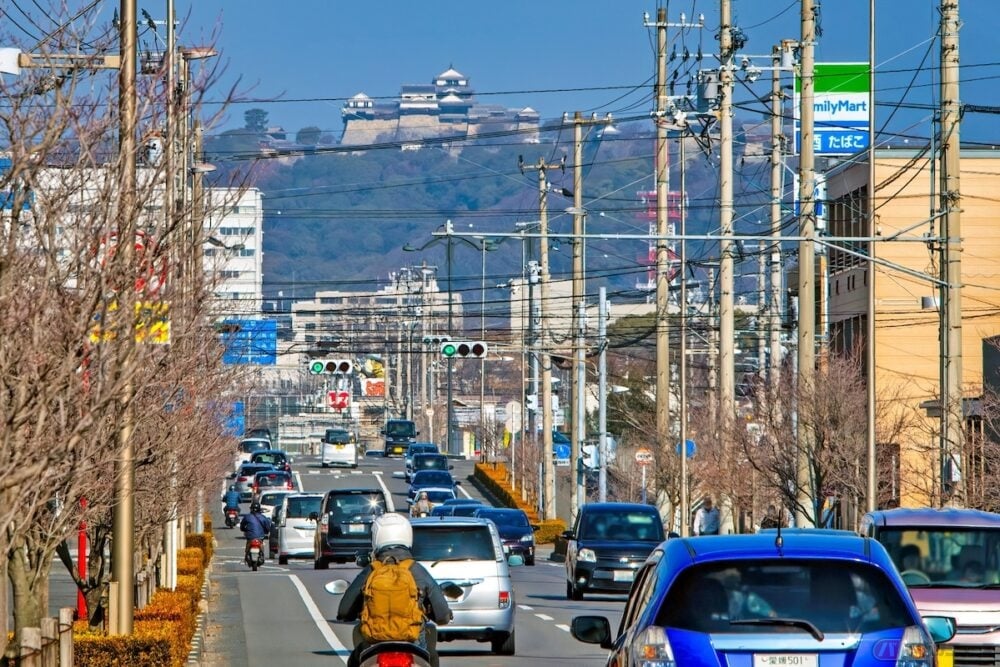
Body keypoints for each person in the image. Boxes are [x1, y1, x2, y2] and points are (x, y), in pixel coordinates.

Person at [338, 513, 451, 667]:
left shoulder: (371, 570)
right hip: (414, 643)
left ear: (376, 537)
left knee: (354, 661)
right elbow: (443, 615)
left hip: (374, 643)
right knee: (433, 657)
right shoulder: (417, 570)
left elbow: (344, 611)